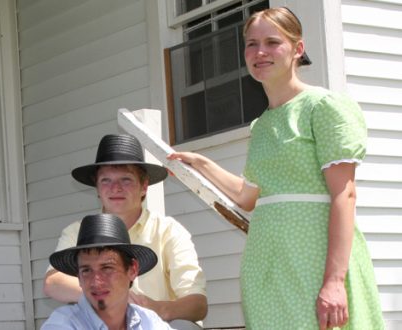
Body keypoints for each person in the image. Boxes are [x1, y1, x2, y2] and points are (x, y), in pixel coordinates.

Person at [167, 7, 384, 329]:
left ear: (297, 49)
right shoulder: (262, 125)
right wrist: (202, 163)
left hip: (312, 257)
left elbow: (345, 194)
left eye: (272, 42)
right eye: (251, 44)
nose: (260, 52)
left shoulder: (323, 107)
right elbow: (247, 196)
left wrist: (334, 281)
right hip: (266, 261)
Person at [44, 134, 207, 329]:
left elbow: (197, 303)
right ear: (97, 187)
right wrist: (112, 298)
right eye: (106, 180)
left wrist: (159, 308)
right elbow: (53, 282)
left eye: (126, 180)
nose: (115, 188)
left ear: (144, 186)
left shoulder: (168, 230)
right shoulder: (78, 231)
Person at [42, 213, 172, 330]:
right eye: (86, 270)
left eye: (107, 268)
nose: (96, 281)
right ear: (78, 277)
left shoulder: (148, 321)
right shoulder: (63, 324)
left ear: (132, 269)